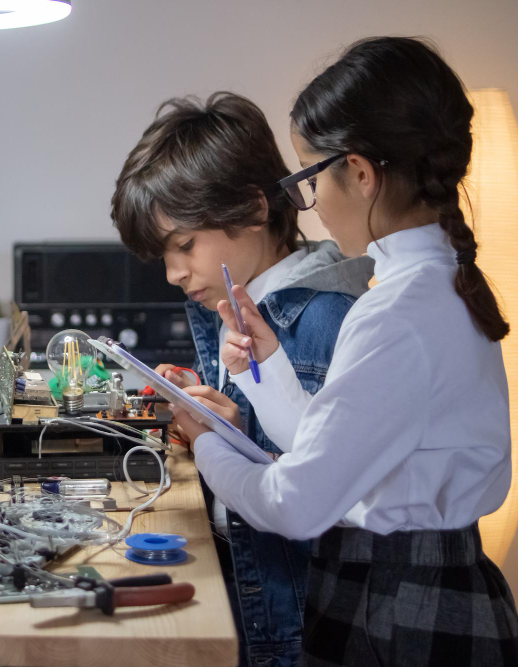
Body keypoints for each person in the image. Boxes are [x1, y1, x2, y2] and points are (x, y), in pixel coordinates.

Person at [176, 37, 518, 665]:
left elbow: (297, 503)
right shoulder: (431, 288)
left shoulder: (398, 312)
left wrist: (204, 444)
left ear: (359, 173)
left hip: (398, 605)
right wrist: (265, 366)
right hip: (420, 592)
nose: (309, 204)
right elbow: (332, 450)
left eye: (308, 178)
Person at [111, 92, 373, 667]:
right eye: (164, 256)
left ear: (256, 208)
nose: (176, 273)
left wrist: (234, 444)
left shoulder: (321, 318)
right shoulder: (242, 307)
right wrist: (213, 416)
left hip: (295, 624)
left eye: (184, 245)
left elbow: (335, 506)